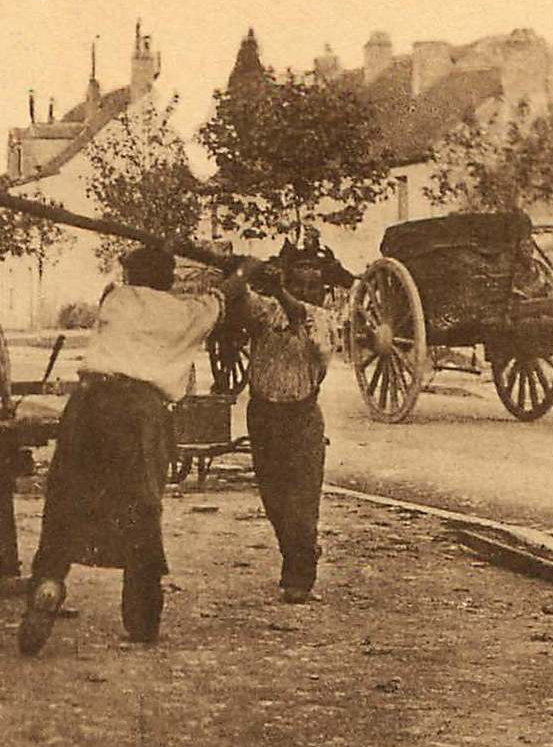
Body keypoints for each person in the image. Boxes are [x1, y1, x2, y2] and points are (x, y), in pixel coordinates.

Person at [18, 246, 250, 655]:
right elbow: (222, 296)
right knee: (141, 507)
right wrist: (244, 271)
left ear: (131, 276)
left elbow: (123, 291)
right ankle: (141, 617)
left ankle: (49, 582)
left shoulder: (117, 300)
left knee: (66, 498)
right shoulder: (186, 313)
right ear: (168, 277)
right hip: (138, 413)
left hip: (87, 405)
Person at [228, 257, 335, 604]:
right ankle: (298, 554)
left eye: (312, 287)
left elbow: (301, 318)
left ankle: (299, 576)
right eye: (298, 284)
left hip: (301, 417)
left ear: (323, 293)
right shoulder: (266, 311)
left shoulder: (323, 320)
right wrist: (239, 271)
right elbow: (239, 304)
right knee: (274, 500)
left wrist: (282, 292)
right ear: (287, 283)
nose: (305, 292)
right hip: (263, 415)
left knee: (302, 502)